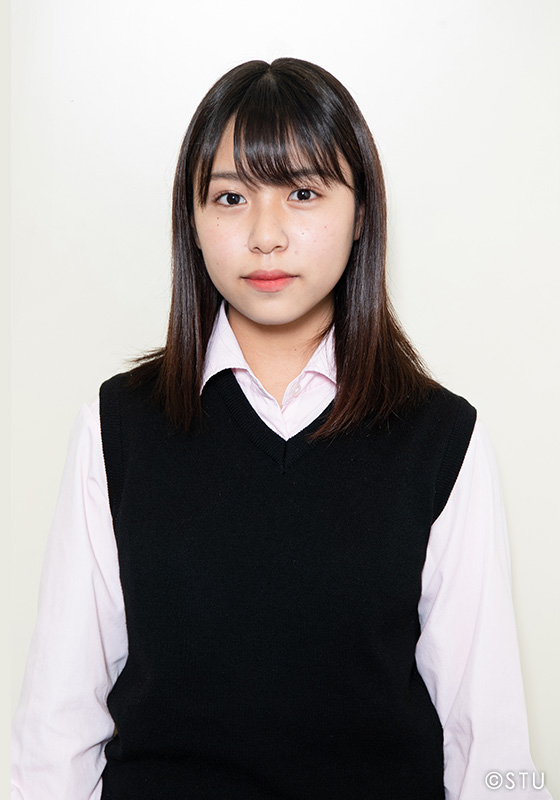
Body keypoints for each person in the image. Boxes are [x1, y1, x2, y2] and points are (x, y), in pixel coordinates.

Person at [11, 58, 551, 799]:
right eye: (231, 197)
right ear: (193, 221)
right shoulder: (118, 429)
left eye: (302, 192)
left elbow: (487, 743)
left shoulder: (441, 439)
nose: (266, 235)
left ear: (361, 215)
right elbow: (57, 733)